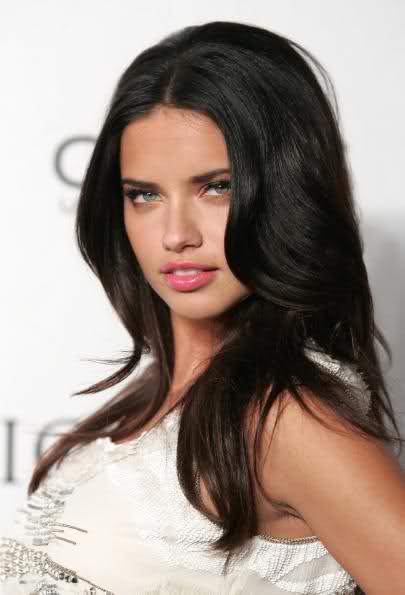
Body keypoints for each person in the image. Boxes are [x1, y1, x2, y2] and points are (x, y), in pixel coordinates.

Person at [1, 20, 404, 595]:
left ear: (284, 193)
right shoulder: (155, 396)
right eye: (144, 195)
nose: (176, 235)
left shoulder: (286, 418)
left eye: (216, 187)